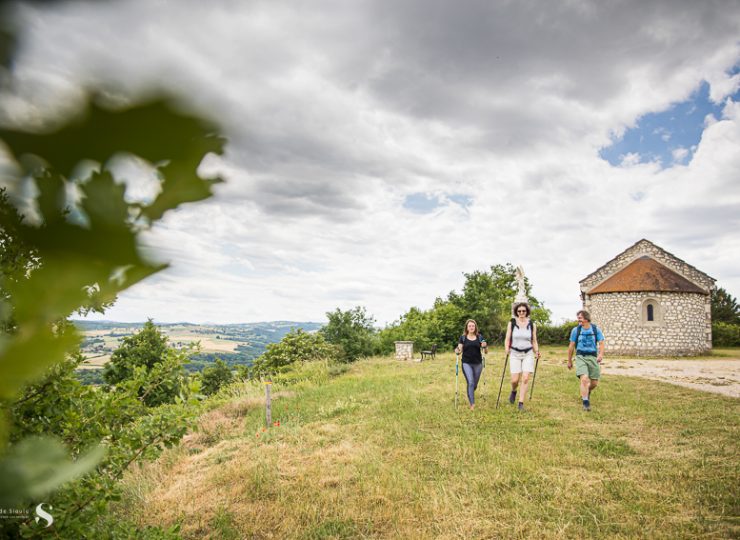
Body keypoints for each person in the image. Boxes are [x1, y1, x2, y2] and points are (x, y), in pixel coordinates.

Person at [504, 303, 540, 411]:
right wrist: (507, 349)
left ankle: (521, 403)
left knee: (525, 378)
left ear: (527, 312)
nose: (521, 313)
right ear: (516, 312)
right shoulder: (512, 323)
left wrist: (537, 351)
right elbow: (507, 338)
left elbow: (534, 340)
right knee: (515, 380)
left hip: (528, 353)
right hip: (514, 353)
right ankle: (514, 391)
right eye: (519, 311)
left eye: (523, 311)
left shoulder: (532, 324)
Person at [567, 310, 605, 411]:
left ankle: (587, 391)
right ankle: (585, 403)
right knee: (584, 379)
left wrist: (600, 355)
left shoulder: (596, 329)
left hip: (593, 357)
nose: (578, 320)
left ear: (586, 319)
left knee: (594, 383)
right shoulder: (576, 330)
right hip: (580, 356)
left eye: (580, 318)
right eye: (578, 318)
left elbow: (601, 343)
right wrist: (569, 360)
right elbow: (571, 346)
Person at [454, 319, 488, 410]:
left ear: (475, 327)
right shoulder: (463, 337)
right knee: (471, 382)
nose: (471, 327)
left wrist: (485, 346)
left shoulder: (479, 337)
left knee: (474, 385)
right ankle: (472, 404)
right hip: (466, 363)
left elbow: (486, 351)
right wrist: (457, 350)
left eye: (473, 326)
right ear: (467, 327)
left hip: (478, 363)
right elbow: (460, 349)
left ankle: (470, 392)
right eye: (469, 326)